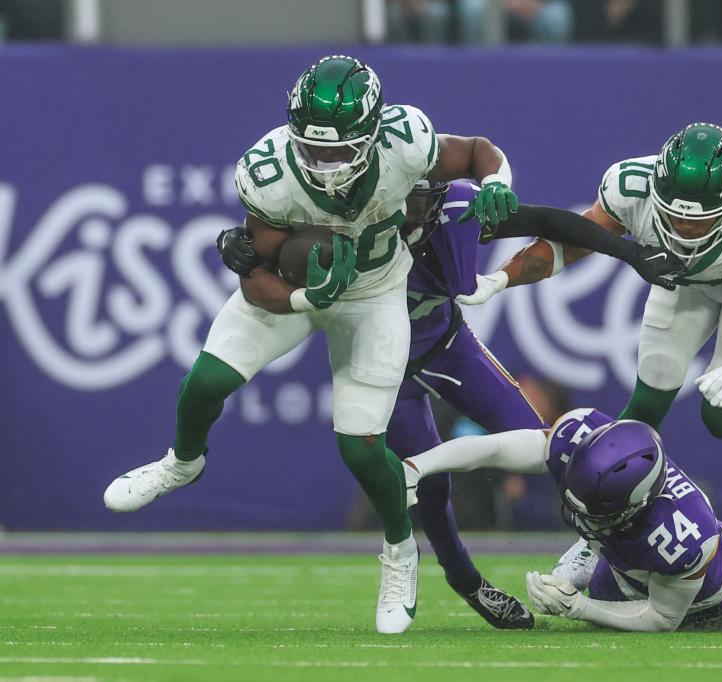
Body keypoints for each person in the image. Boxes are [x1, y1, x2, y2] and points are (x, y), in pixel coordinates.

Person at [101, 54, 522, 635]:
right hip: (304, 291)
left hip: (377, 295)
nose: (325, 165)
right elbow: (256, 276)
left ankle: (400, 552)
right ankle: (182, 462)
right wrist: (306, 299)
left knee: (360, 446)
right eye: (313, 150)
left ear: (375, 133)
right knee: (206, 381)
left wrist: (498, 180)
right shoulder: (269, 171)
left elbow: (476, 151)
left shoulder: (407, 139)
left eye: (338, 150)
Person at [212, 178, 680, 629]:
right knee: (432, 489)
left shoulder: (453, 208)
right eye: (401, 200)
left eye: (422, 198)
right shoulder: (342, 224)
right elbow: (271, 242)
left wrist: (629, 251)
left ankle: (619, 548)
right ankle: (468, 583)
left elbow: (551, 221)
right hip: (384, 372)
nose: (413, 211)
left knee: (548, 446)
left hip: (449, 346)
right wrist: (235, 242)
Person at [462, 123, 722, 440]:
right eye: (672, 215)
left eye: (700, 221)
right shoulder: (630, 187)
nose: (683, 227)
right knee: (647, 401)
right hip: (683, 281)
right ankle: (607, 498)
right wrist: (499, 278)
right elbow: (572, 244)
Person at [403, 409, 722, 632]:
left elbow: (660, 617)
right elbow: (494, 449)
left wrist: (578, 608)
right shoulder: (580, 435)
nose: (577, 514)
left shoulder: (681, 533)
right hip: (634, 562)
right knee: (602, 585)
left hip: (713, 587)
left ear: (635, 506)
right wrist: (421, 464)